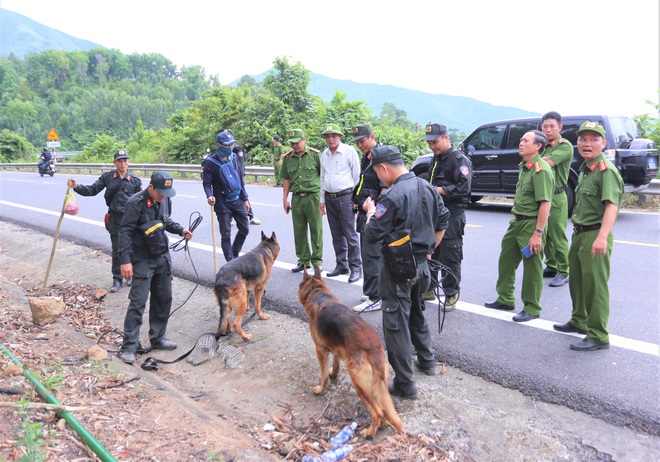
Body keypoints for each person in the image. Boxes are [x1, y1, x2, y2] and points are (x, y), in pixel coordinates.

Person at [363, 145, 449, 400]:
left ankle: (404, 383)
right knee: (416, 313)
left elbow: (371, 234)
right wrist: (431, 247)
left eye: (377, 173)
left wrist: (369, 213)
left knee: (396, 323)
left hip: (398, 269)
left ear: (384, 168)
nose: (379, 178)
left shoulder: (392, 196)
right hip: (422, 266)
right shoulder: (429, 188)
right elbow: (443, 221)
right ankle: (427, 361)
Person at [553, 121, 623, 351]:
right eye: (583, 139)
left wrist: (602, 237)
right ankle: (579, 320)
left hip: (595, 234)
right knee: (578, 282)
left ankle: (599, 335)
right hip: (580, 234)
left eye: (594, 139)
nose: (587, 144)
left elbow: (611, 206)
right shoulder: (586, 168)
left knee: (595, 287)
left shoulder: (606, 171)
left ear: (603, 144)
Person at [117, 171, 194, 364]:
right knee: (138, 302)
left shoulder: (164, 198)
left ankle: (158, 337)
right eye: (160, 192)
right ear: (150, 187)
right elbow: (124, 232)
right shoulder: (135, 203)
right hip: (142, 258)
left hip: (161, 256)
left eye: (166, 192)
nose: (163, 196)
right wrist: (125, 261)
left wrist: (181, 230)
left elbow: (164, 220)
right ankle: (129, 346)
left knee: (163, 297)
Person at [484, 130, 553, 322]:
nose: (521, 143)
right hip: (517, 221)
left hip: (531, 224)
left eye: (526, 140)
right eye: (521, 139)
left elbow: (545, 204)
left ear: (538, 146)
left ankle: (532, 307)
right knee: (506, 259)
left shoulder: (541, 170)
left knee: (532, 267)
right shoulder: (525, 166)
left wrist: (538, 233)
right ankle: (505, 298)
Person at [68, 149, 142, 293]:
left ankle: (131, 275)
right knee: (117, 249)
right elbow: (92, 190)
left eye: (125, 160)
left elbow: (140, 202)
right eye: (119, 161)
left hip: (130, 220)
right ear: (115, 163)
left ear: (129, 162)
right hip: (115, 219)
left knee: (132, 247)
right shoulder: (107, 177)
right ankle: (117, 279)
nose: (123, 163)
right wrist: (76, 187)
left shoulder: (135, 180)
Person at [423, 123, 473, 311]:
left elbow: (464, 188)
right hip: (434, 213)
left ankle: (451, 293)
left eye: (435, 142)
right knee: (432, 250)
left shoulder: (459, 159)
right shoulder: (436, 158)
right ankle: (430, 288)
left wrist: (438, 190)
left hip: (452, 213)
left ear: (446, 138)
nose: (432, 146)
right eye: (429, 143)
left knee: (451, 254)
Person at [319, 123, 362, 283]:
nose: (331, 139)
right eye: (328, 136)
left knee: (350, 234)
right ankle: (341, 265)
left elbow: (357, 176)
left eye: (334, 136)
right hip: (330, 198)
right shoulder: (324, 154)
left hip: (346, 197)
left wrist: (357, 200)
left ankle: (356, 267)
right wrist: (322, 200)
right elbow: (322, 178)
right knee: (336, 234)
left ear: (340, 137)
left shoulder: (349, 151)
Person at [350, 124, 387, 313]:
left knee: (372, 255)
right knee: (368, 254)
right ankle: (374, 291)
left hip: (374, 213)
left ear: (372, 137)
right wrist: (357, 202)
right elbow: (365, 182)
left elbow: (385, 187)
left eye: (362, 141)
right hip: (365, 210)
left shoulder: (380, 156)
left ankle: (375, 297)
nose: (360, 145)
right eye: (357, 142)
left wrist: (375, 212)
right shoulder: (368, 157)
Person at [203, 130, 250, 262]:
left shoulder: (234, 157)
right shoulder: (210, 163)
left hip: (237, 200)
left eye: (231, 145)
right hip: (222, 203)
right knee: (226, 235)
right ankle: (231, 263)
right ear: (218, 145)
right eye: (226, 146)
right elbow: (207, 184)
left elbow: (239, 179)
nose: (230, 148)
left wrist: (245, 199)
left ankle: (234, 253)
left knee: (245, 229)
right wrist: (209, 196)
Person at [281, 128, 323, 273]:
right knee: (299, 230)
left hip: (313, 197)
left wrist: (323, 199)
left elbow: (323, 176)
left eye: (297, 142)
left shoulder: (315, 155)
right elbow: (286, 179)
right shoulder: (287, 158)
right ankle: (303, 261)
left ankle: (317, 260)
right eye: (292, 143)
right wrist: (285, 199)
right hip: (297, 198)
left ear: (304, 140)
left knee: (316, 229)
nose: (294, 146)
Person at [540, 111, 572, 287]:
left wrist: (532, 157)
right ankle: (551, 265)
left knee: (557, 234)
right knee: (545, 232)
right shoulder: (543, 145)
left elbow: (547, 162)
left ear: (560, 127)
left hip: (557, 196)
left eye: (552, 126)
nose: (548, 129)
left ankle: (564, 269)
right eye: (545, 126)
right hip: (542, 195)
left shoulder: (564, 146)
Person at [229, 133, 261, 225]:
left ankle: (251, 216)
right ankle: (230, 218)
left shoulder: (237, 150)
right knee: (230, 197)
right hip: (228, 178)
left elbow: (241, 163)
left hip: (237, 177)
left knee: (242, 195)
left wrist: (239, 175)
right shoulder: (225, 152)